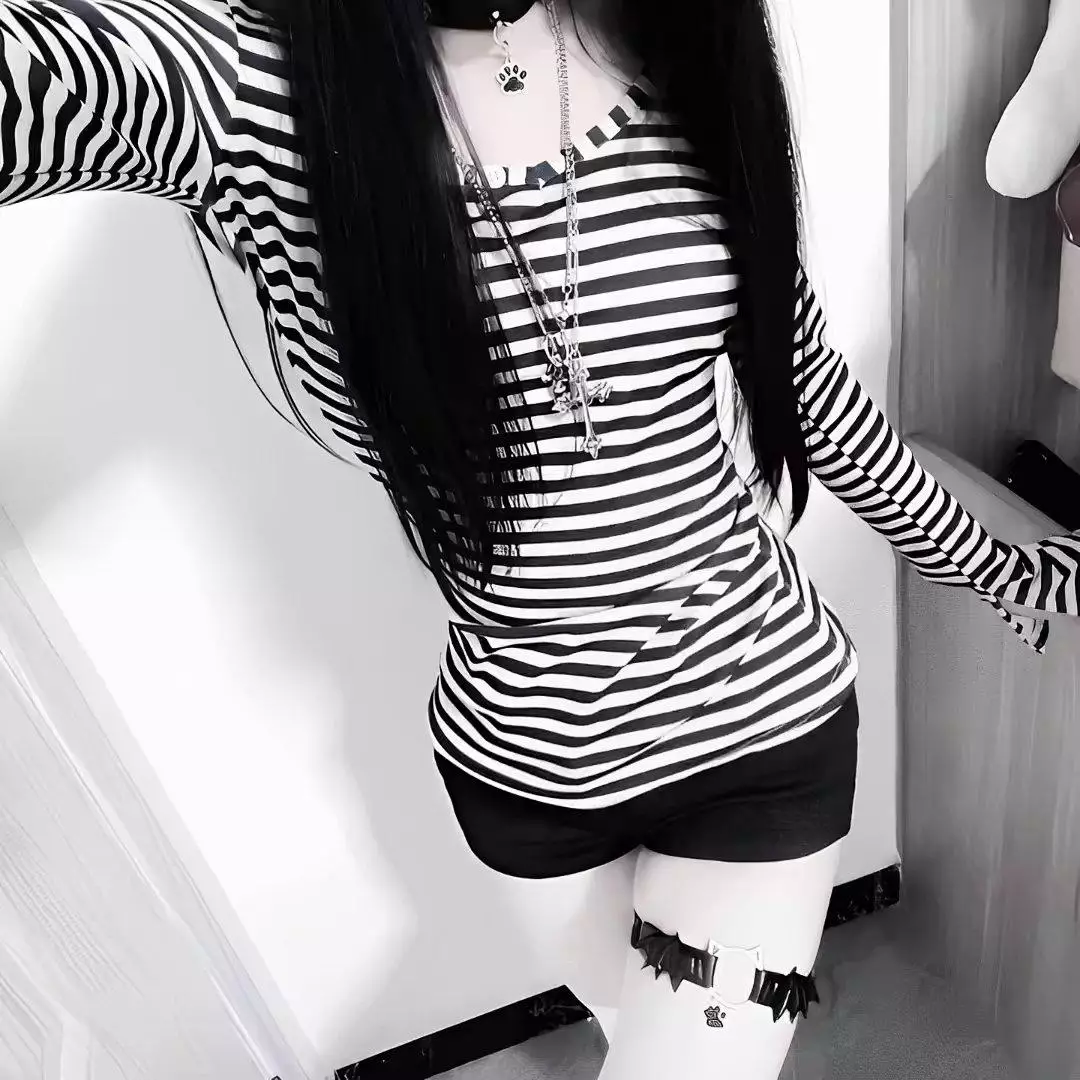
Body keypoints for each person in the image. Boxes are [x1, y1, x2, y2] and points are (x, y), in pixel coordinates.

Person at [1, 0, 1077, 1076]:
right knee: (641, 1038)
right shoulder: (251, 91)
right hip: (523, 775)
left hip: (756, 728)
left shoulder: (676, 40)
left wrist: (1000, 568)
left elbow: (810, 397)